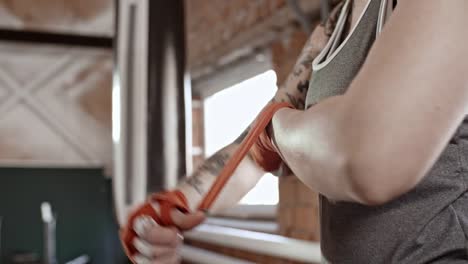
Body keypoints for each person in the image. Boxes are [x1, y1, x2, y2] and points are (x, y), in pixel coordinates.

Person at [125, 0, 468, 263]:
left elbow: (365, 158)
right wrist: (168, 210)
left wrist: (277, 130)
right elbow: (253, 148)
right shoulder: (335, 26)